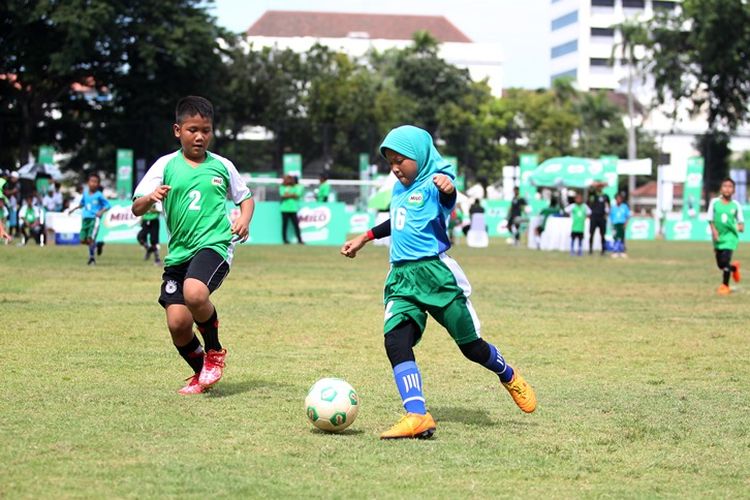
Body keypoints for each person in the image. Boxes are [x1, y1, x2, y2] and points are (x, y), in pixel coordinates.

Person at [341, 125, 536, 440]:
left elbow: (449, 197)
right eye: (390, 161)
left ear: (419, 156)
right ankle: (417, 415)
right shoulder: (398, 190)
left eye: (401, 160)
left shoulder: (435, 183)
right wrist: (364, 237)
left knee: (471, 347)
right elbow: (398, 220)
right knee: (395, 341)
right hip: (401, 277)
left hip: (436, 276)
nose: (394, 167)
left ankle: (509, 375)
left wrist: (447, 188)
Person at [132, 95, 254, 395]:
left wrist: (244, 219)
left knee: (195, 293)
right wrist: (150, 198)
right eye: (192, 130)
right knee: (177, 323)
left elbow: (246, 197)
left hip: (214, 245)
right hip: (179, 254)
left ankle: (214, 353)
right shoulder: (165, 165)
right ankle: (202, 373)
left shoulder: (222, 166)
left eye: (206, 130)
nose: (200, 136)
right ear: (178, 131)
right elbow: (136, 207)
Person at [708, 177, 744, 295]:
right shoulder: (714, 202)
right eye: (725, 186)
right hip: (718, 238)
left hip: (730, 238)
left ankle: (725, 286)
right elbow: (710, 219)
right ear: (721, 189)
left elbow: (741, 225)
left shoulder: (736, 205)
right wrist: (714, 231)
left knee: (724, 261)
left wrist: (736, 227)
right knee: (721, 265)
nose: (727, 189)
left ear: (733, 190)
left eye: (730, 187)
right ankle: (734, 268)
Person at [68, 173, 110, 265]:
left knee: (90, 238)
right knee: (82, 240)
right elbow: (82, 203)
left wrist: (101, 212)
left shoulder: (99, 195)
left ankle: (92, 258)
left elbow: (108, 205)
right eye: (92, 181)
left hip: (94, 219)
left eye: (95, 182)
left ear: (98, 184)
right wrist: (73, 209)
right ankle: (98, 245)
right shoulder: (85, 194)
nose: (93, 183)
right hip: (85, 218)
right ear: (88, 182)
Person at [279, 174, 303, 244]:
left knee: (296, 225)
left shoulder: (295, 187)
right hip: (284, 209)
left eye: (290, 179)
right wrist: (291, 195)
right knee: (284, 225)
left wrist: (288, 195)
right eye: (288, 179)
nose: (289, 180)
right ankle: (285, 240)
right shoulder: (282, 187)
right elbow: (282, 195)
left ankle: (299, 240)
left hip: (293, 208)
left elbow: (297, 195)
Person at [588, 184, 610, 255]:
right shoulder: (593, 195)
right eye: (598, 187)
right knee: (591, 234)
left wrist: (606, 215)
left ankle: (603, 250)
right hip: (594, 217)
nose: (599, 188)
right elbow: (591, 189)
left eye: (600, 187)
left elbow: (608, 206)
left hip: (602, 217)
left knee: (603, 235)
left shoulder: (605, 196)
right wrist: (597, 185)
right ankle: (590, 250)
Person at [609, 193, 631, 258]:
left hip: (622, 224)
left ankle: (622, 251)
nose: (618, 200)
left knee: (622, 238)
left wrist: (626, 223)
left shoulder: (625, 206)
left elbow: (628, 216)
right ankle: (615, 251)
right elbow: (611, 217)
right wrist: (611, 225)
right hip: (615, 224)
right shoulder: (613, 207)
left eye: (620, 199)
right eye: (617, 199)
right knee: (615, 238)